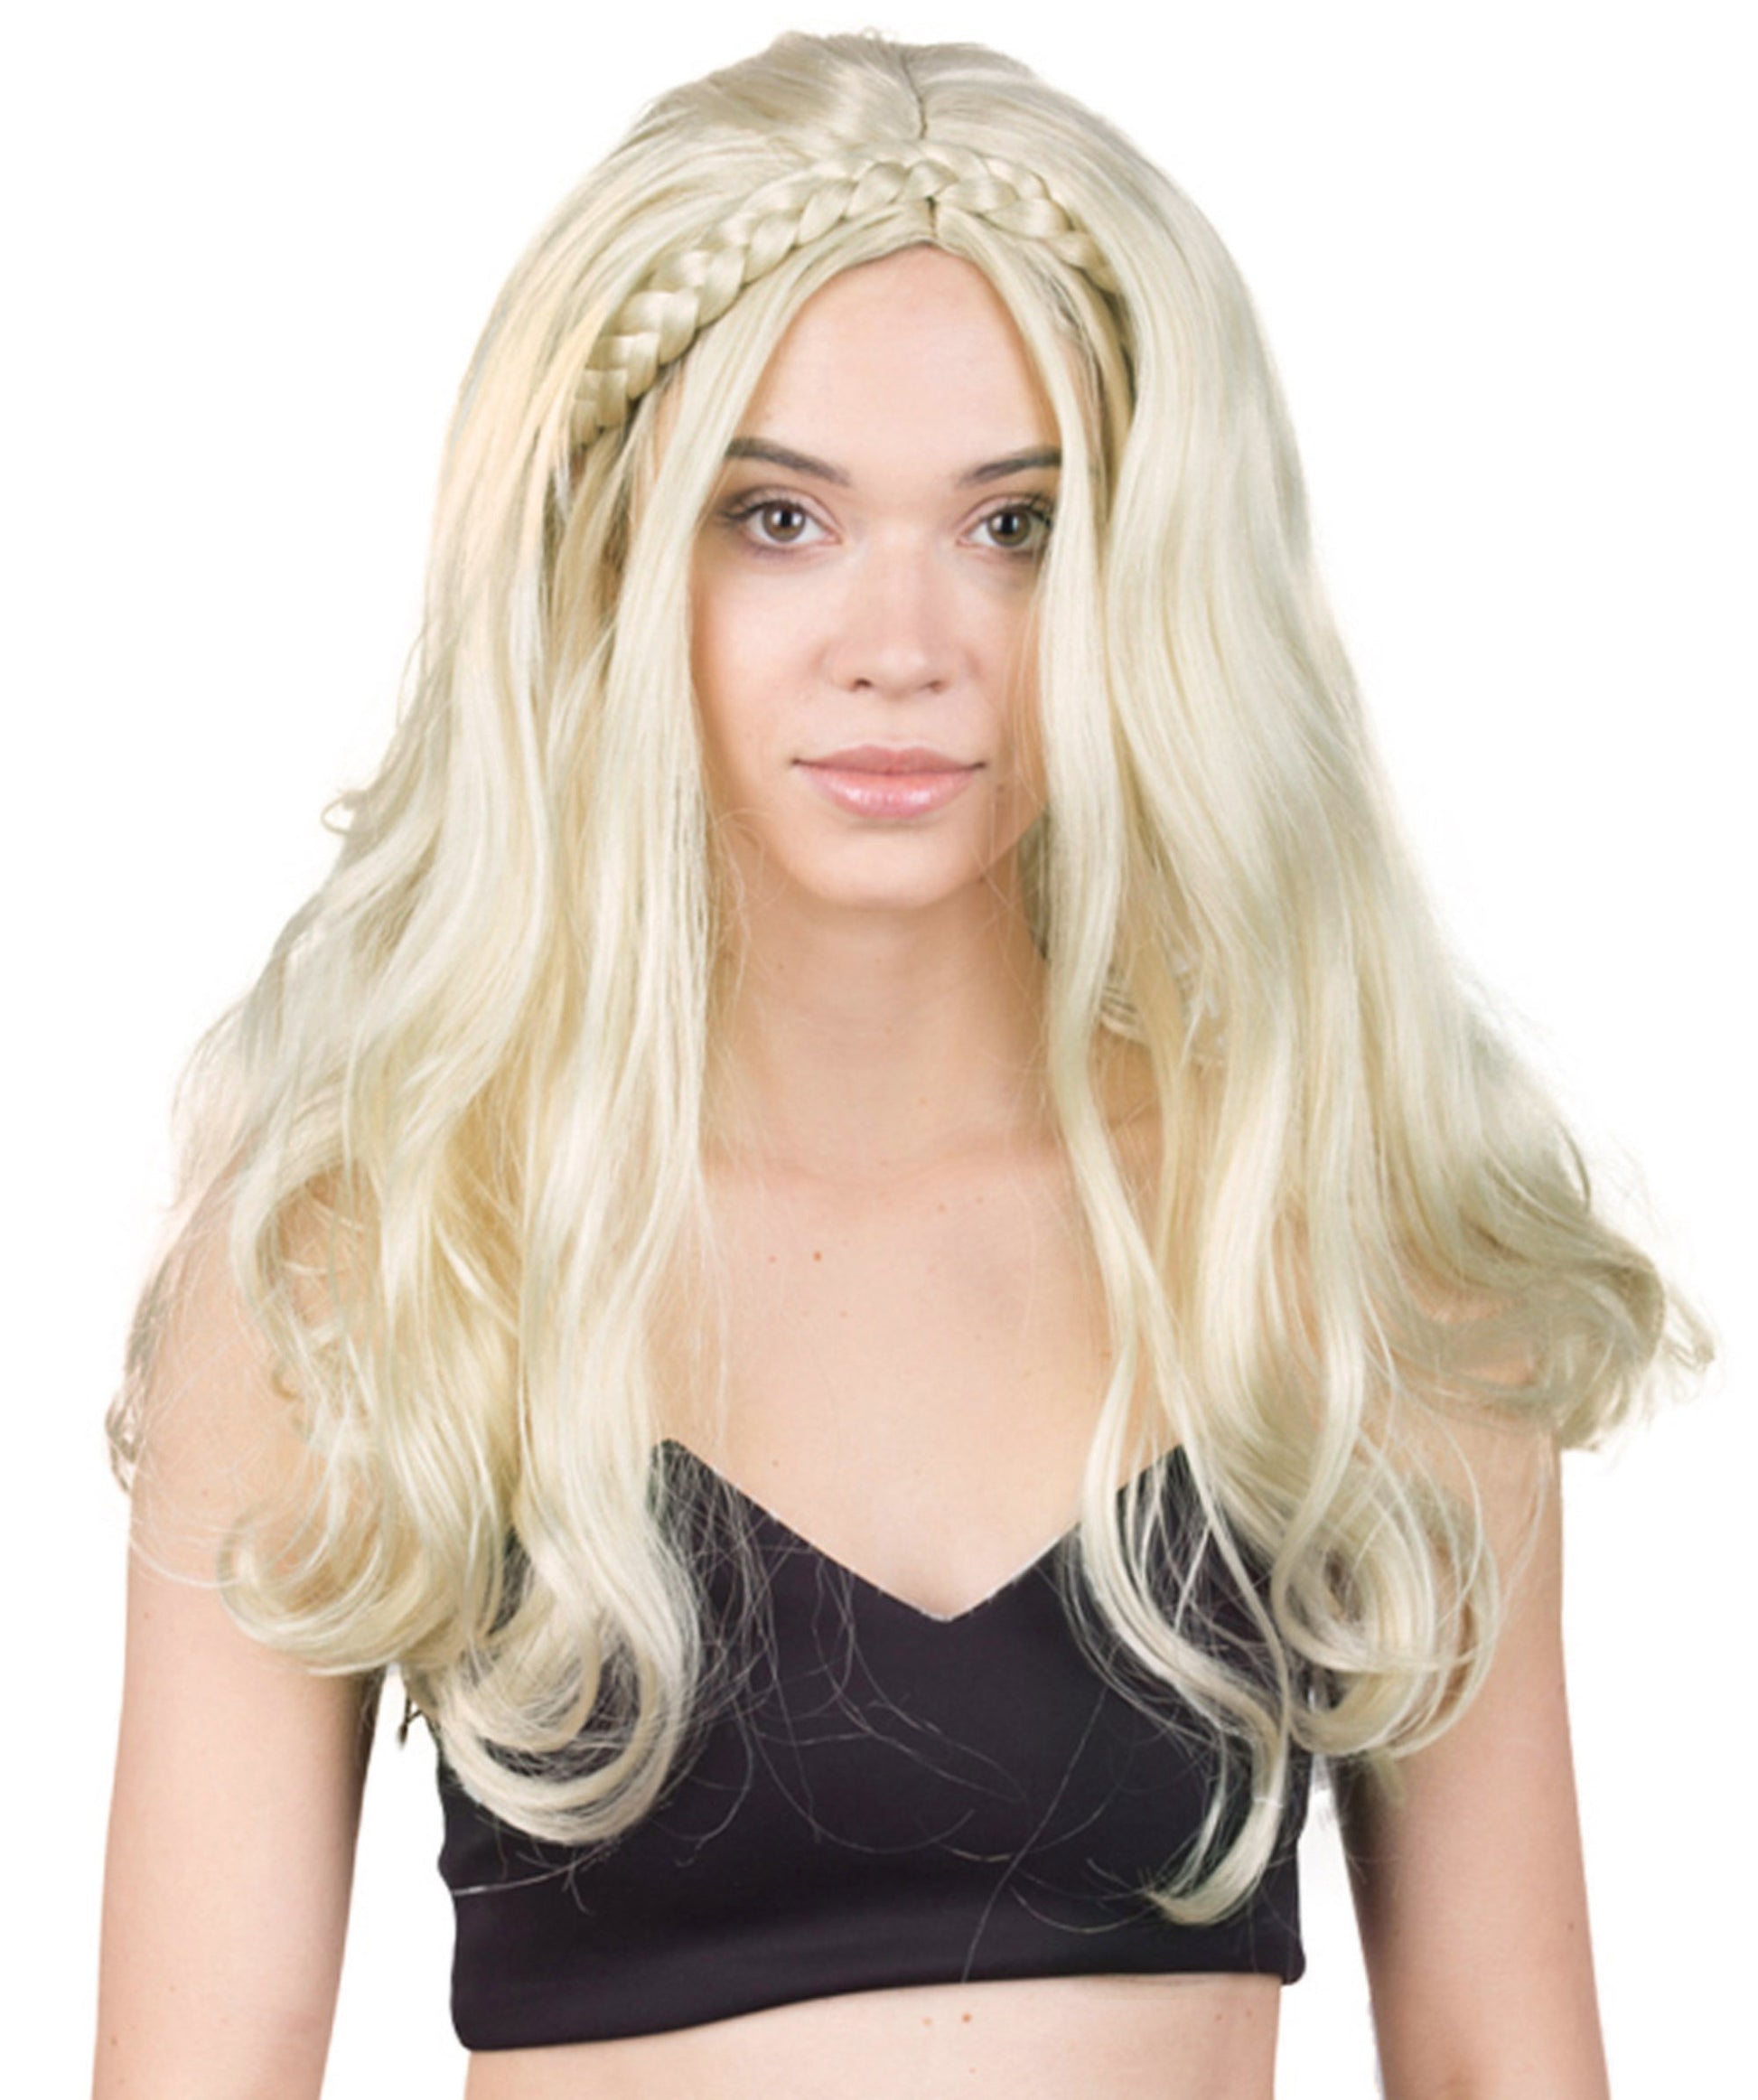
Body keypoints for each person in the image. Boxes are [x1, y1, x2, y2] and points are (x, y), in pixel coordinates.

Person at [94, 29, 1705, 2099]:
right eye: (779, 517)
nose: (900, 645)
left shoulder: (1339, 1248)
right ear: (611, 553)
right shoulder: (380, 1270)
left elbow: (1503, 2060)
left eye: (1013, 525)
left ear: (1150, 577)